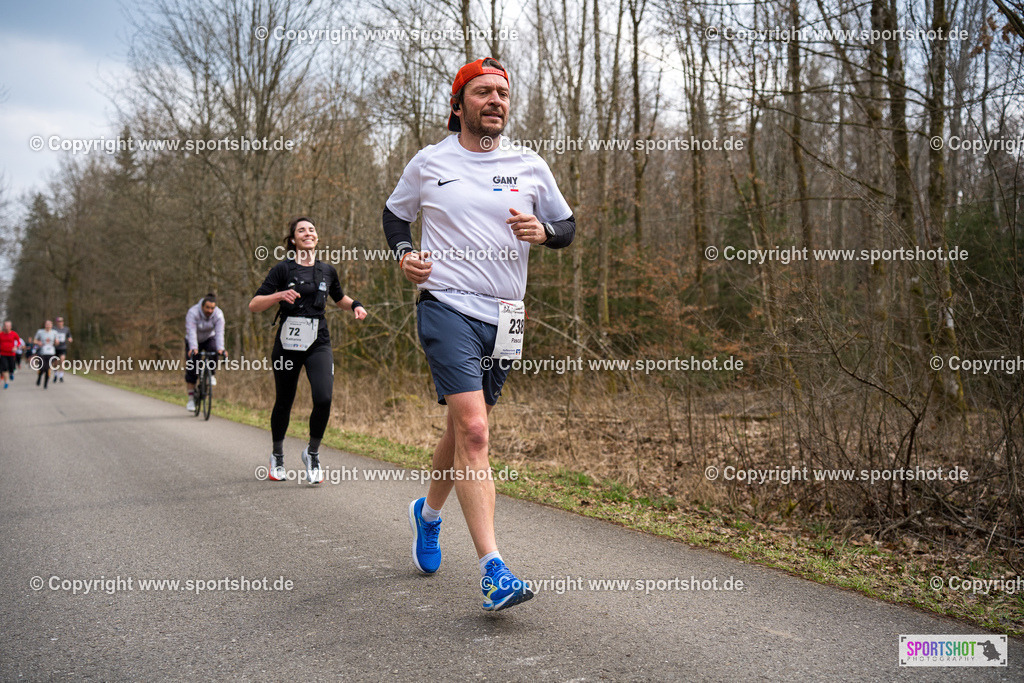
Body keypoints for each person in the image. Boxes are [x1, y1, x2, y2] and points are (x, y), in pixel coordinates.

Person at [383, 57, 576, 611]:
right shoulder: (429, 162)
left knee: (463, 429)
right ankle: (494, 570)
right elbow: (396, 217)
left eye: (503, 94)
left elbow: (566, 228)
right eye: (484, 92)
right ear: (459, 102)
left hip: (506, 317)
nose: (496, 102)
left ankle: (429, 514)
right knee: (474, 432)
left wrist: (543, 231)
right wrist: (405, 255)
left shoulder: (529, 164)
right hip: (445, 305)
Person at [248, 217, 366, 484]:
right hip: (287, 345)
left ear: (317, 237)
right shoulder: (282, 270)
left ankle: (312, 453)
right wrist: (279, 296)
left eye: (311, 229)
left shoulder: (327, 270)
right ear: (293, 239)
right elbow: (254, 304)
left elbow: (339, 298)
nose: (308, 233)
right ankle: (277, 455)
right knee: (284, 401)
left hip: (318, 341)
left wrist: (355, 305)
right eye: (301, 230)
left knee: (324, 397)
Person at [184, 294, 226, 411]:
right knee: (192, 368)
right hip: (193, 340)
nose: (210, 310)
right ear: (202, 306)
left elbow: (219, 333)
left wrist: (221, 348)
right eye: (207, 308)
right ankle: (191, 400)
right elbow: (191, 331)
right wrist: (193, 347)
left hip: (209, 338)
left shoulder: (218, 314)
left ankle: (211, 374)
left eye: (212, 308)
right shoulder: (193, 313)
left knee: (215, 350)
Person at [34, 320, 59, 389]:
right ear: (45, 325)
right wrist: (38, 342)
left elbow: (57, 342)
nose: (48, 326)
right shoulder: (40, 332)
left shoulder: (54, 332)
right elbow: (35, 340)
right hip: (42, 352)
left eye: (49, 324)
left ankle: (45, 384)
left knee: (47, 369)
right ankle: (39, 377)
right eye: (47, 324)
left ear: (51, 325)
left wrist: (56, 342)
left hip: (51, 353)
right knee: (42, 368)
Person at [0, 320, 22, 389]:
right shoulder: (1, 335)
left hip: (11, 354)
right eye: (5, 326)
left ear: (10, 327)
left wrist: (16, 347)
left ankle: (11, 373)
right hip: (3, 354)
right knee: (5, 368)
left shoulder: (14, 334)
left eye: (7, 326)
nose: (6, 327)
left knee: (11, 367)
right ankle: (6, 382)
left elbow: (19, 342)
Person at [52, 316, 73, 383]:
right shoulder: (54, 329)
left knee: (62, 360)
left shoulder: (66, 329)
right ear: (56, 322)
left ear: (63, 322)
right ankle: (55, 374)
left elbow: (69, 336)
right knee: (55, 363)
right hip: (55, 348)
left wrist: (70, 339)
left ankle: (61, 375)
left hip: (63, 347)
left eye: (60, 322)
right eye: (58, 322)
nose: (59, 323)